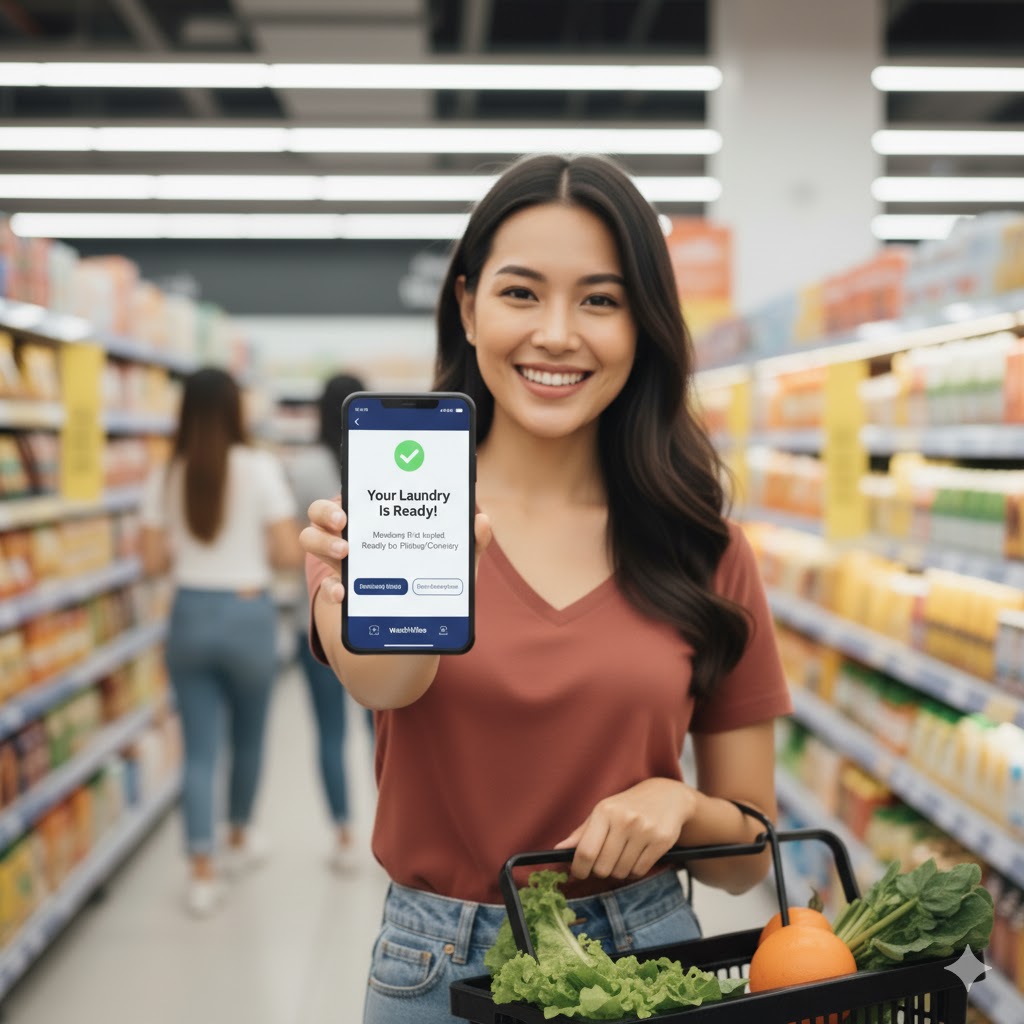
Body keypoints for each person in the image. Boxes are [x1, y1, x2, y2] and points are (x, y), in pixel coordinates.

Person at [300, 153, 793, 1023]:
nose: (558, 333)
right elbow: (386, 683)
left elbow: (749, 855)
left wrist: (678, 805)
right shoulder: (374, 526)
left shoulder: (704, 549)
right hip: (438, 967)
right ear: (467, 304)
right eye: (521, 293)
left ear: (643, 323)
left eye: (599, 300)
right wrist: (390, 581)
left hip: (650, 958)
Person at [141, 366, 302, 917]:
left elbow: (152, 561)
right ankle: (240, 835)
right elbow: (285, 552)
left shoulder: (167, 474)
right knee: (250, 737)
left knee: (200, 749)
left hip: (189, 613)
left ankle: (201, 868)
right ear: (236, 410)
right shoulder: (258, 468)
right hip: (246, 612)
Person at [284, 371, 376, 872]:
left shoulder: (304, 467)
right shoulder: (380, 457)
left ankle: (343, 834)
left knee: (328, 732)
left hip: (314, 617)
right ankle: (386, 819)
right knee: (381, 728)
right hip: (378, 614)